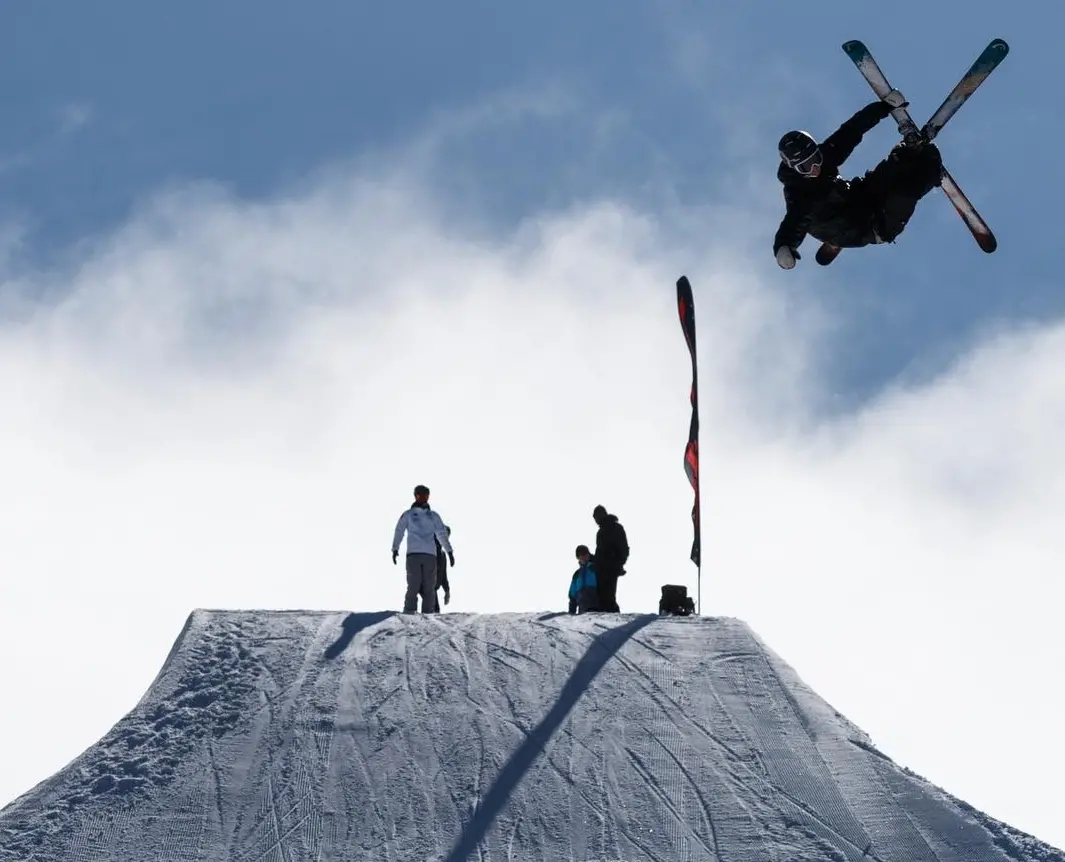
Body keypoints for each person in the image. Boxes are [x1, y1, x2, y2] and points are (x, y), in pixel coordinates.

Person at [773, 90, 944, 269]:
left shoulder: (827, 157)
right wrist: (783, 247)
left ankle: (908, 151)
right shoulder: (801, 195)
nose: (815, 169)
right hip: (870, 227)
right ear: (795, 169)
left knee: (895, 166)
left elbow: (852, 130)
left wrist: (884, 107)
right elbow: (792, 224)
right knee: (907, 188)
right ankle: (932, 172)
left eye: (815, 159)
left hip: (858, 198)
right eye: (806, 167)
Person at [392, 485, 454, 614]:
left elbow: (442, 534)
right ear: (415, 496)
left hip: (430, 555)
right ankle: (409, 612)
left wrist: (449, 551)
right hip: (413, 554)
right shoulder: (408, 514)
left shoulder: (433, 516)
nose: (422, 498)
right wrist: (395, 548)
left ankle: (428, 614)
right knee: (413, 585)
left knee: (429, 587)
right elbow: (399, 530)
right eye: (420, 495)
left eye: (425, 496)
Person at [591, 505, 628, 613]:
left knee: (608, 598)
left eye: (596, 517)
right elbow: (601, 553)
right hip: (602, 569)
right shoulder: (601, 531)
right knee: (603, 598)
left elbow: (623, 548)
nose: (595, 521)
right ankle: (608, 619)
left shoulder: (615, 528)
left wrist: (619, 563)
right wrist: (594, 560)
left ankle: (613, 619)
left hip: (610, 568)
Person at [426, 527, 452, 613]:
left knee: (435, 613)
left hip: (433, 590)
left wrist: (447, 591)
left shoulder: (442, 555)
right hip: (426, 588)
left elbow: (443, 575)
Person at [568, 545, 599, 615]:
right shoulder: (577, 574)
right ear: (578, 558)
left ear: (588, 555)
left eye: (585, 554)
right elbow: (572, 595)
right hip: (582, 611)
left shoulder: (595, 568)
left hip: (597, 608)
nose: (583, 557)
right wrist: (571, 613)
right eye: (581, 555)